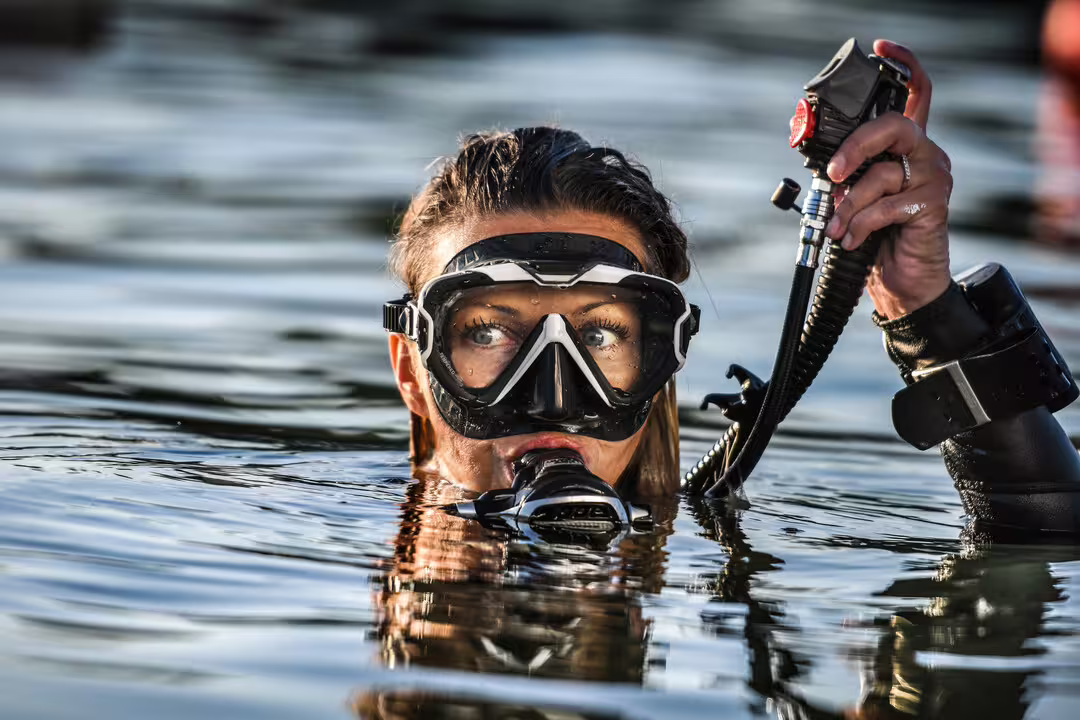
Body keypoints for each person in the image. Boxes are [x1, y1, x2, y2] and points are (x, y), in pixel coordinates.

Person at [384, 39, 1080, 538]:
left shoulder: (712, 542)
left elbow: (1053, 532)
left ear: (659, 361)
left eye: (599, 334)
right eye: (489, 332)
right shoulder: (302, 520)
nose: (555, 396)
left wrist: (923, 310)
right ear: (411, 371)